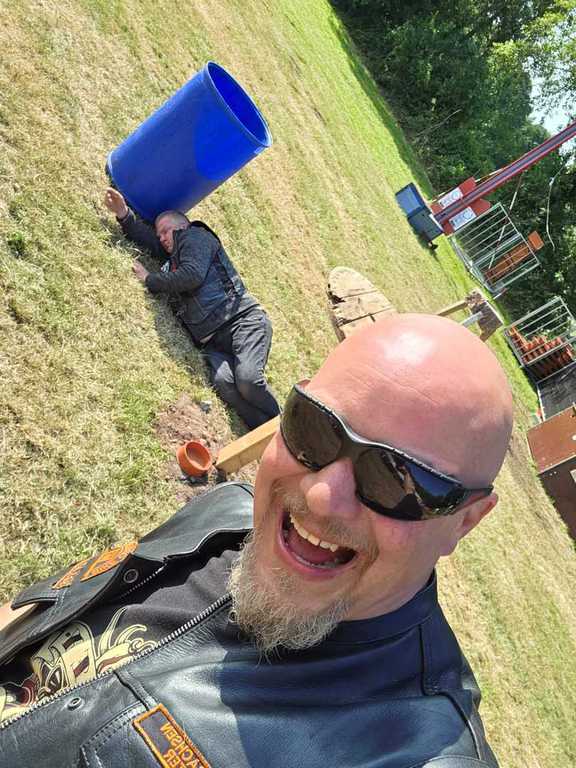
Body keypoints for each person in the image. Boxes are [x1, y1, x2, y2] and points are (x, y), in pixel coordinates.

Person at [0, 314, 513, 767]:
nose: (320, 497)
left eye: (397, 480)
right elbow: (38, 613)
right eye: (315, 428)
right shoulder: (226, 513)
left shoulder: (414, 752)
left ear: (466, 521)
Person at [103, 187, 280, 429]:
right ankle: (268, 432)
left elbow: (192, 276)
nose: (162, 238)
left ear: (182, 226)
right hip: (214, 342)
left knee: (248, 380)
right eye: (159, 234)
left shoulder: (195, 237)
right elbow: (149, 242)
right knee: (225, 383)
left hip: (241, 322)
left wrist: (149, 279)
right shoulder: (174, 256)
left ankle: (286, 424)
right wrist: (124, 214)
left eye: (166, 231)